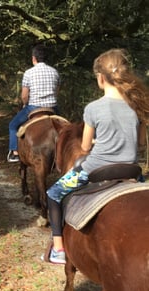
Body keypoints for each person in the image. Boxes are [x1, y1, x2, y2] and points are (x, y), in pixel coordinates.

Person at [45, 48, 149, 264]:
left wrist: (96, 142)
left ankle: (58, 249)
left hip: (94, 169)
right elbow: (140, 144)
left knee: (53, 193)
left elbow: (84, 147)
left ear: (101, 78)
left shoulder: (93, 108)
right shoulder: (137, 106)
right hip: (131, 169)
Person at [7, 44, 60, 163]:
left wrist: (25, 104)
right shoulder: (55, 72)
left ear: (34, 58)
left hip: (33, 107)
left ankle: (14, 153)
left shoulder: (28, 73)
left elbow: (25, 96)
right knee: (66, 127)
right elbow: (57, 92)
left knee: (12, 125)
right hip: (52, 107)